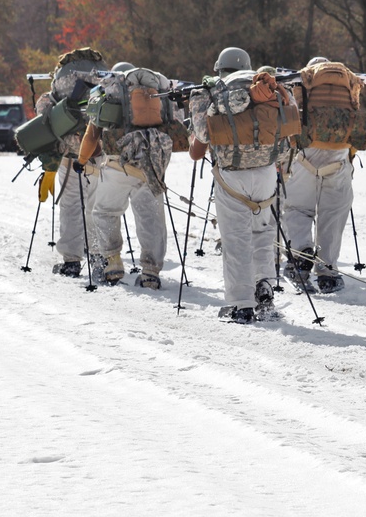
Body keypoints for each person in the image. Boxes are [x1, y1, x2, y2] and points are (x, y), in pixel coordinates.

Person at [187, 47, 299, 323]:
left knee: (236, 240)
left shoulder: (213, 92)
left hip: (231, 176)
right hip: (266, 173)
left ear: (218, 69)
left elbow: (197, 149)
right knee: (262, 233)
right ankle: (265, 287)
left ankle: (241, 305)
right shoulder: (264, 85)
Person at [74, 65, 177, 289]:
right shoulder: (158, 92)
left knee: (104, 211)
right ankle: (150, 272)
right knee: (151, 220)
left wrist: (81, 161)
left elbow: (92, 135)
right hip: (151, 166)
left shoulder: (110, 94)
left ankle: (112, 262)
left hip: (117, 165)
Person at [281, 56, 357, 294]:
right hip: (339, 156)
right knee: (333, 214)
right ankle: (328, 273)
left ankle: (301, 257)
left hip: (306, 156)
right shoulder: (348, 82)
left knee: (297, 208)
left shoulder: (302, 82)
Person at [33, 48, 110, 278]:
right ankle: (99, 256)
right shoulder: (103, 75)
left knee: (71, 206)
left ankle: (72, 261)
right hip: (98, 152)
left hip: (70, 153)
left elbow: (46, 111)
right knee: (97, 205)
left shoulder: (62, 79)